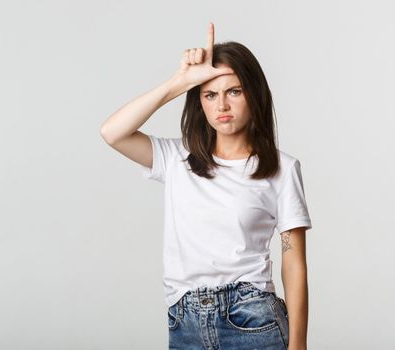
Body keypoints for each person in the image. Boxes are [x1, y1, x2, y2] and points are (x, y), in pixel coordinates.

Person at [100, 22, 312, 350]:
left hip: (252, 318)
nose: (221, 106)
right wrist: (180, 81)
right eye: (209, 95)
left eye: (234, 91)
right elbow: (112, 132)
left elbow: (294, 262)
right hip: (185, 322)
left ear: (254, 95)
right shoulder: (176, 158)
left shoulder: (281, 169)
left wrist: (299, 346)